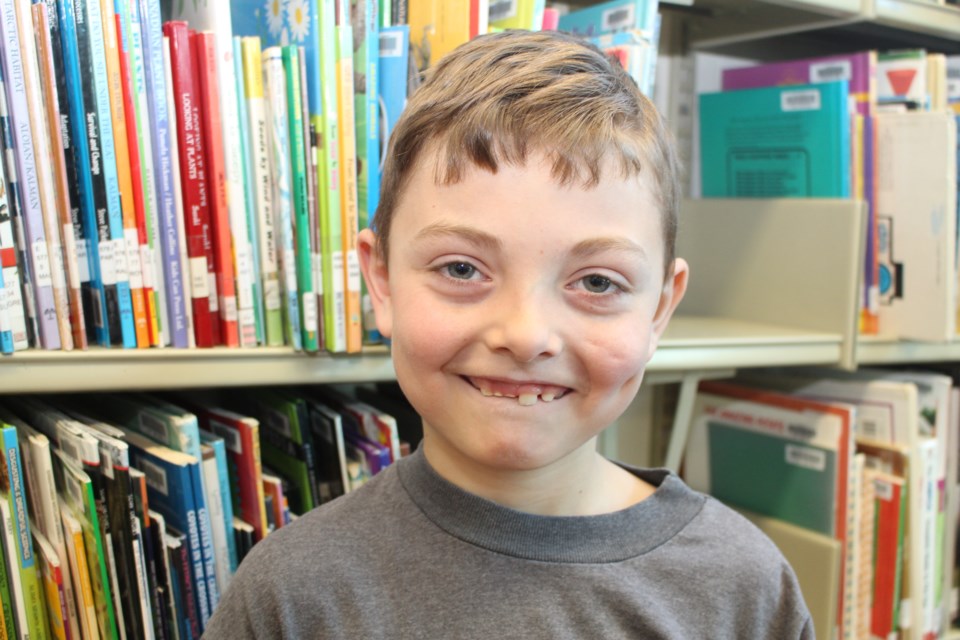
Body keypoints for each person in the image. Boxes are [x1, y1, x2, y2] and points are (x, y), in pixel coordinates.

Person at [204, 29, 813, 639]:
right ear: (382, 282)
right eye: (462, 269)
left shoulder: (746, 590)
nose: (525, 336)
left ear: (658, 311)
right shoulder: (288, 597)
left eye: (597, 283)